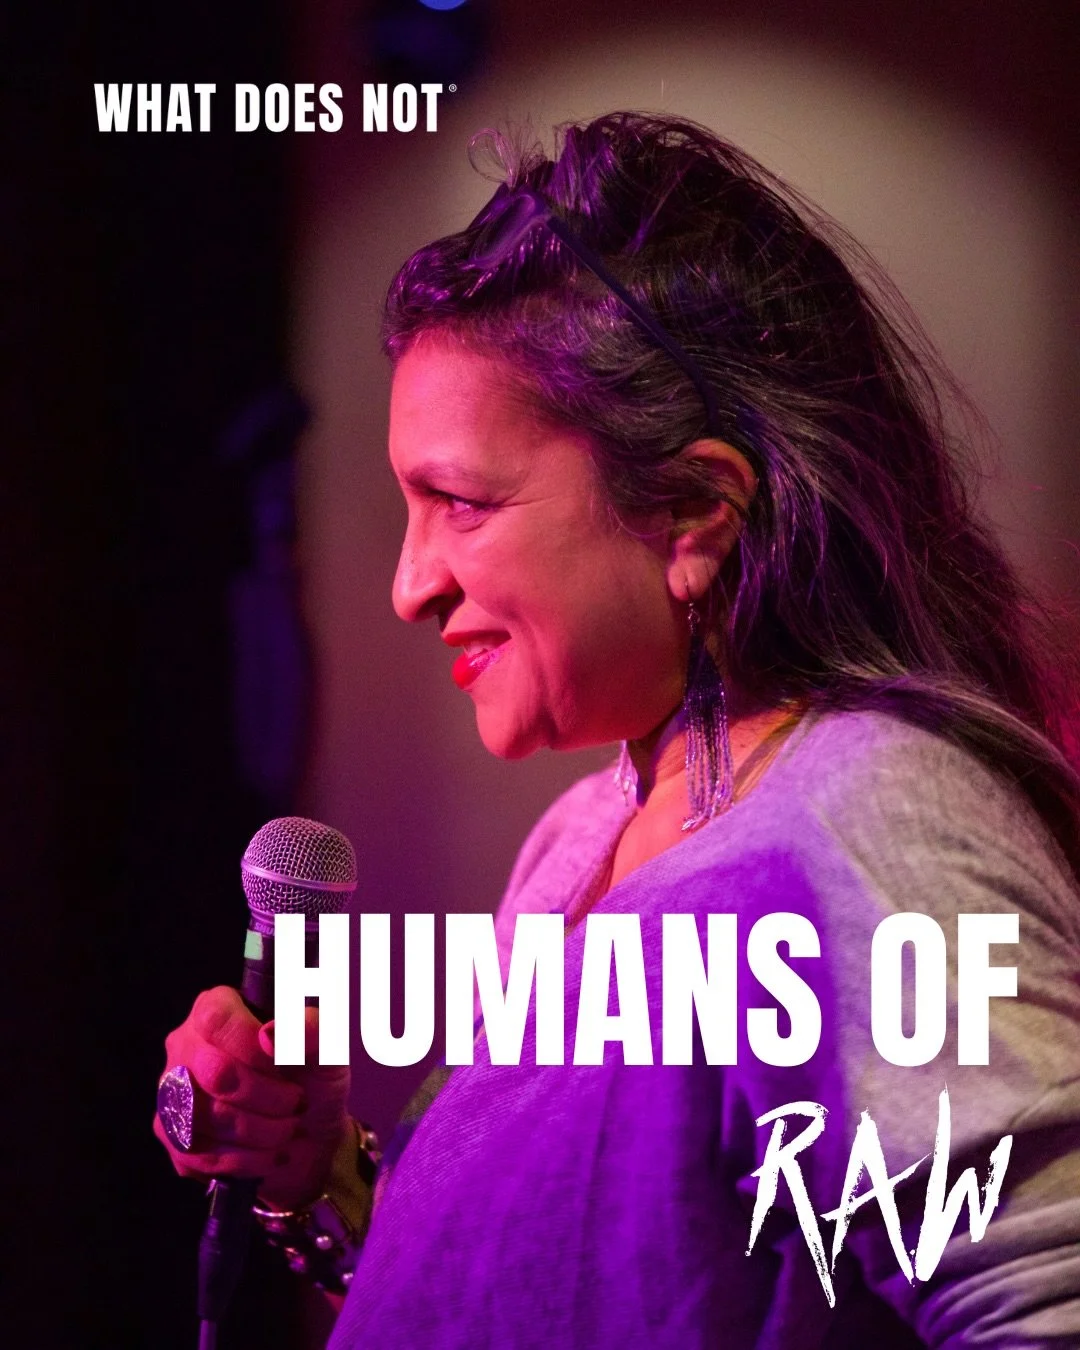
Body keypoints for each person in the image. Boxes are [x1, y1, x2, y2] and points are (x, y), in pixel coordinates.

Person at [155, 113, 1080, 1347]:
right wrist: (311, 1170)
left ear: (694, 511)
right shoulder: (579, 837)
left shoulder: (871, 816)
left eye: (459, 503)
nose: (410, 584)